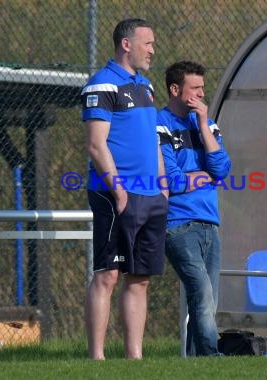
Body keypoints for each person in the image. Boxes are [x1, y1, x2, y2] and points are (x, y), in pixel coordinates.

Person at [81, 18, 168, 360]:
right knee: (108, 274)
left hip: (151, 197)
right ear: (126, 44)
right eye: (147, 43)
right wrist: (118, 191)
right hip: (117, 196)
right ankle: (97, 358)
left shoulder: (145, 86)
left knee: (140, 277)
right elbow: (95, 145)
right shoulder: (102, 85)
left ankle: (135, 358)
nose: (152, 50)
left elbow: (153, 143)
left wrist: (163, 188)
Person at [157, 60, 231, 356]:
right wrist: (207, 177)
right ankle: (211, 356)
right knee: (201, 291)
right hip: (178, 224)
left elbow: (223, 168)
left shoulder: (207, 124)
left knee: (207, 298)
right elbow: (172, 181)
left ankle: (196, 362)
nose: (202, 94)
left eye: (203, 87)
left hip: (209, 223)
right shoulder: (158, 124)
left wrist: (203, 125)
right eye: (195, 88)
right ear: (176, 90)